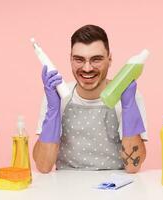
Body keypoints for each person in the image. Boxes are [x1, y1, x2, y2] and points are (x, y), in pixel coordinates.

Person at [33, 24, 147, 173]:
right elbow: (43, 166)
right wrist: (53, 110)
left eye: (96, 59)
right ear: (71, 60)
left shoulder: (129, 96)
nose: (87, 68)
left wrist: (128, 106)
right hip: (66, 188)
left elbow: (133, 167)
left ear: (110, 59)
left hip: (114, 190)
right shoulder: (57, 97)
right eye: (79, 59)